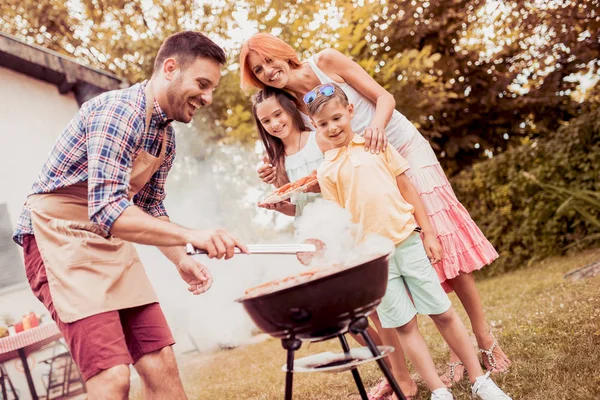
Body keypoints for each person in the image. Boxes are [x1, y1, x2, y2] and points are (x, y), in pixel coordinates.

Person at [240, 33, 510, 384]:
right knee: (414, 257)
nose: (267, 71)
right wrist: (279, 175)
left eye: (268, 61)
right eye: (258, 70)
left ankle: (483, 337)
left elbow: (384, 97)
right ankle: (459, 353)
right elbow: (316, 152)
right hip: (370, 174)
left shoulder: (326, 61)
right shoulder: (289, 106)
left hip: (401, 146)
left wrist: (377, 129)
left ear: (283, 53)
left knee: (442, 241)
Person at [13, 31, 247, 400]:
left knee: (162, 364)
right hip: (59, 239)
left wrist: (180, 259)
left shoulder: (165, 138)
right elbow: (108, 209)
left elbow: (150, 206)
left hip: (108, 238)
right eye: (202, 84)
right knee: (112, 378)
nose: (208, 97)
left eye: (212, 88)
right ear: (170, 68)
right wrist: (193, 235)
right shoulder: (119, 112)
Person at [308, 83, 511, 400]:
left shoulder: (377, 144)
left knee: (443, 312)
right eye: (323, 124)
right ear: (314, 126)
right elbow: (338, 221)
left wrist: (428, 233)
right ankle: (439, 391)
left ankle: (479, 380)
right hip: (374, 262)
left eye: (336, 118)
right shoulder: (326, 172)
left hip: (407, 243)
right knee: (404, 327)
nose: (331, 128)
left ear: (349, 112)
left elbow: (407, 189)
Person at [252, 87, 417, 398]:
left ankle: (403, 379)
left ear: (291, 110)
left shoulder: (319, 137)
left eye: (277, 114)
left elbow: (341, 179)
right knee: (349, 317)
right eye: (266, 121)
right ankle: (391, 370)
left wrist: (313, 186)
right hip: (313, 237)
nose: (274, 123)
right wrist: (280, 204)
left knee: (374, 309)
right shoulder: (276, 160)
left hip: (342, 227)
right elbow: (296, 206)